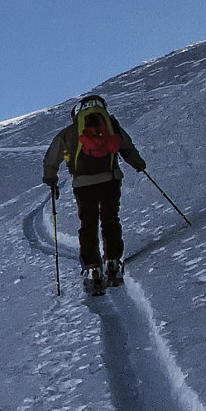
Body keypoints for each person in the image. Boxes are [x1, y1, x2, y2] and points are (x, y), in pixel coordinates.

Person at [42, 94, 147, 296]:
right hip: (110, 179)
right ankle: (112, 262)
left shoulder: (70, 132)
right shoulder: (110, 125)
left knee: (88, 224)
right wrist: (138, 164)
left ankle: (93, 269)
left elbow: (52, 157)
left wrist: (50, 178)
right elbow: (126, 147)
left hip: (83, 184)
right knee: (110, 220)